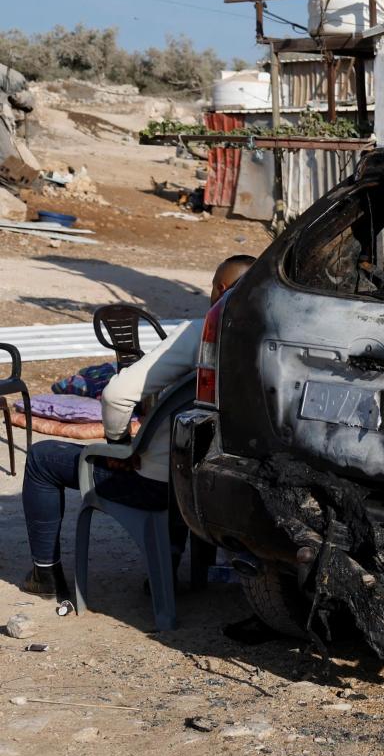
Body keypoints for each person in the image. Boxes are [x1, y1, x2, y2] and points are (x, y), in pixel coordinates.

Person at [19, 255, 254, 601]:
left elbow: (116, 395)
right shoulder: (268, 343)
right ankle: (166, 572)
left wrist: (119, 446)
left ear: (220, 289)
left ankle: (45, 574)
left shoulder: (201, 332)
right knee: (172, 456)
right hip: (218, 487)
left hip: (156, 486)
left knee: (41, 459)